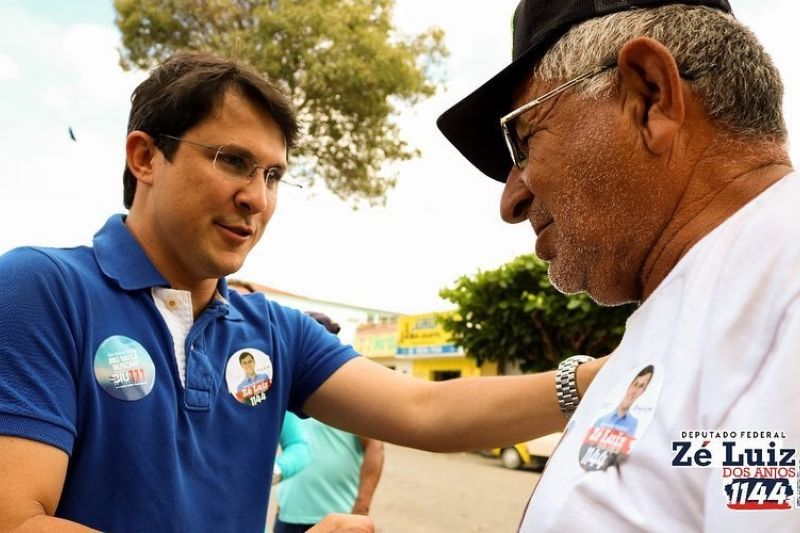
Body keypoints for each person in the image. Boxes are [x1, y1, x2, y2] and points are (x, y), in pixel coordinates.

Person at [0, 51, 604, 531]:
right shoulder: (44, 289)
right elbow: (17, 519)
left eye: (272, 175)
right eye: (232, 161)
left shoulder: (276, 331)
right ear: (145, 157)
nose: (257, 199)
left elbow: (426, 410)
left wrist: (603, 379)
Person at [437, 0, 799, 530]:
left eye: (524, 142)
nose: (510, 202)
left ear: (649, 96)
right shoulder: (717, 296)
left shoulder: (780, 292)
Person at [275, 312, 385, 533]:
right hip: (288, 513)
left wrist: (362, 507)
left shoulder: (348, 397)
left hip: (336, 515)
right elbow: (292, 447)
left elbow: (375, 446)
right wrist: (281, 501)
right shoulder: (285, 390)